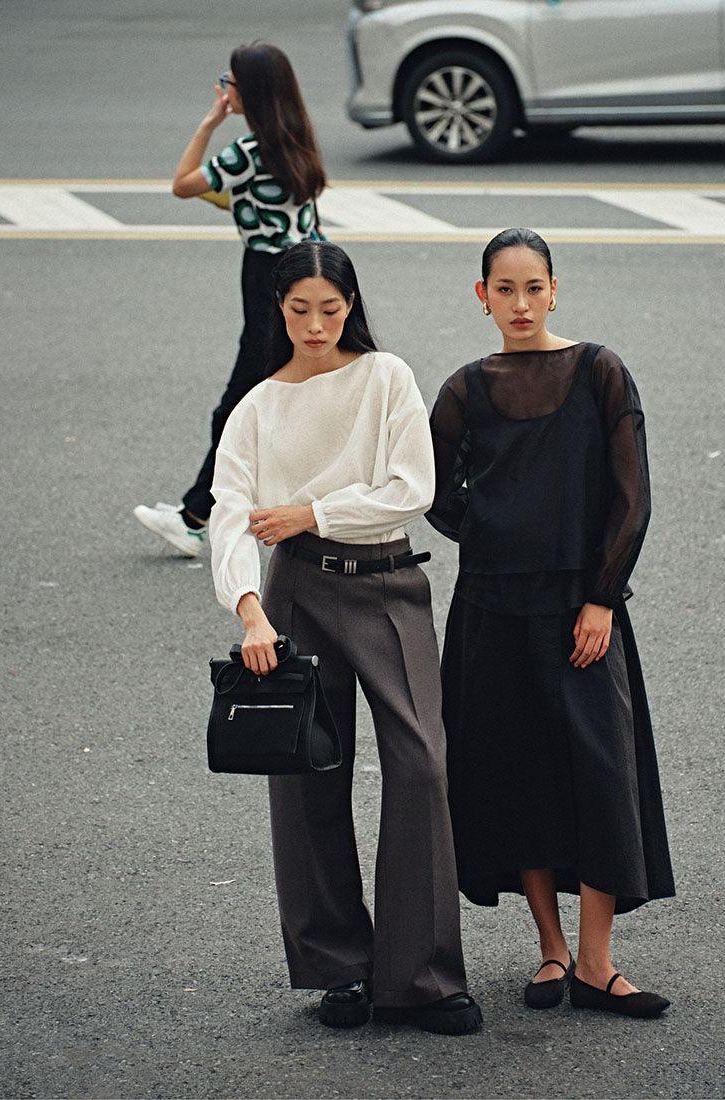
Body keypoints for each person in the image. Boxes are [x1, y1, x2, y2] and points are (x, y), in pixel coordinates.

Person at [208, 240, 482, 1035]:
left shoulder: (385, 377)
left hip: (390, 584)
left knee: (421, 763)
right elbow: (230, 513)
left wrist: (310, 510)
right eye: (300, 310)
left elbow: (412, 488)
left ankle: (422, 977)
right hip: (295, 592)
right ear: (279, 310)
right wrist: (249, 610)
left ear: (351, 305)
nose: (317, 324)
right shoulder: (257, 405)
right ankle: (339, 968)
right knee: (305, 777)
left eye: (331, 308)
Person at [427, 228, 675, 1019]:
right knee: (518, 773)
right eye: (504, 289)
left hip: (581, 606)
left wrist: (601, 595)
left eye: (533, 287)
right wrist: (501, 540)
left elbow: (631, 496)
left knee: (601, 773)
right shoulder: (464, 388)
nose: (521, 304)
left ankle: (598, 962)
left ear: (555, 289)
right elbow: (435, 494)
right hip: (492, 609)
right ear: (482, 296)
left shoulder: (600, 370)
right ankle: (550, 951)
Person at [135, 41, 326, 557]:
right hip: (309, 268)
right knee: (287, 392)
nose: (224, 88)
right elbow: (271, 207)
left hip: (267, 277)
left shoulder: (249, 152)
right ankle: (257, 505)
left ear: (250, 92)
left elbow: (182, 184)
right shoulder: (297, 140)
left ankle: (196, 516)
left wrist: (208, 123)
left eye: (230, 82)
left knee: (240, 402)